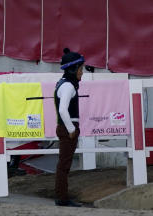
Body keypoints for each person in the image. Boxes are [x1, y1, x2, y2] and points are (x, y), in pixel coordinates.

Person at [54, 47, 85, 208]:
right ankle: (62, 198)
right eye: (80, 69)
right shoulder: (69, 86)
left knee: (63, 164)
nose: (82, 72)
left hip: (66, 127)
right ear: (73, 69)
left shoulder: (64, 83)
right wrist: (72, 129)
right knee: (64, 165)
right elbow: (62, 110)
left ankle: (62, 196)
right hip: (68, 128)